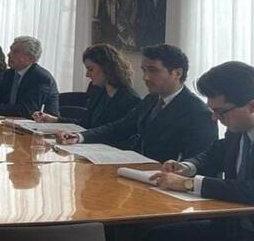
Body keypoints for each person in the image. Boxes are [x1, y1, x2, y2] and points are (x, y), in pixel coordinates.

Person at [140, 61, 254, 241]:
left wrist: (189, 184)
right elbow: (214, 154)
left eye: (220, 112)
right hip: (233, 225)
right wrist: (187, 166)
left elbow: (250, 190)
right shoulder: (238, 129)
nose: (215, 118)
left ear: (252, 106)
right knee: (157, 238)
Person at [57, 44, 216, 162]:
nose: (145, 77)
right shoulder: (152, 99)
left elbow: (198, 163)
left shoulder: (198, 113)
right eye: (144, 70)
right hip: (138, 173)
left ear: (177, 73)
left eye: (153, 70)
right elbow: (120, 127)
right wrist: (80, 136)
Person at [32, 44, 141, 139]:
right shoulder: (99, 91)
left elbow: (116, 134)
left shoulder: (130, 99)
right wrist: (54, 120)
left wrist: (80, 138)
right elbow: (85, 124)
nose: (87, 75)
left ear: (107, 68)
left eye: (91, 69)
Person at [0, 36, 60, 118]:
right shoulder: (8, 74)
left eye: (15, 52)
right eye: (10, 50)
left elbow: (27, 110)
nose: (9, 54)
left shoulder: (41, 77)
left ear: (31, 58)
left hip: (40, 124)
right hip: (9, 121)